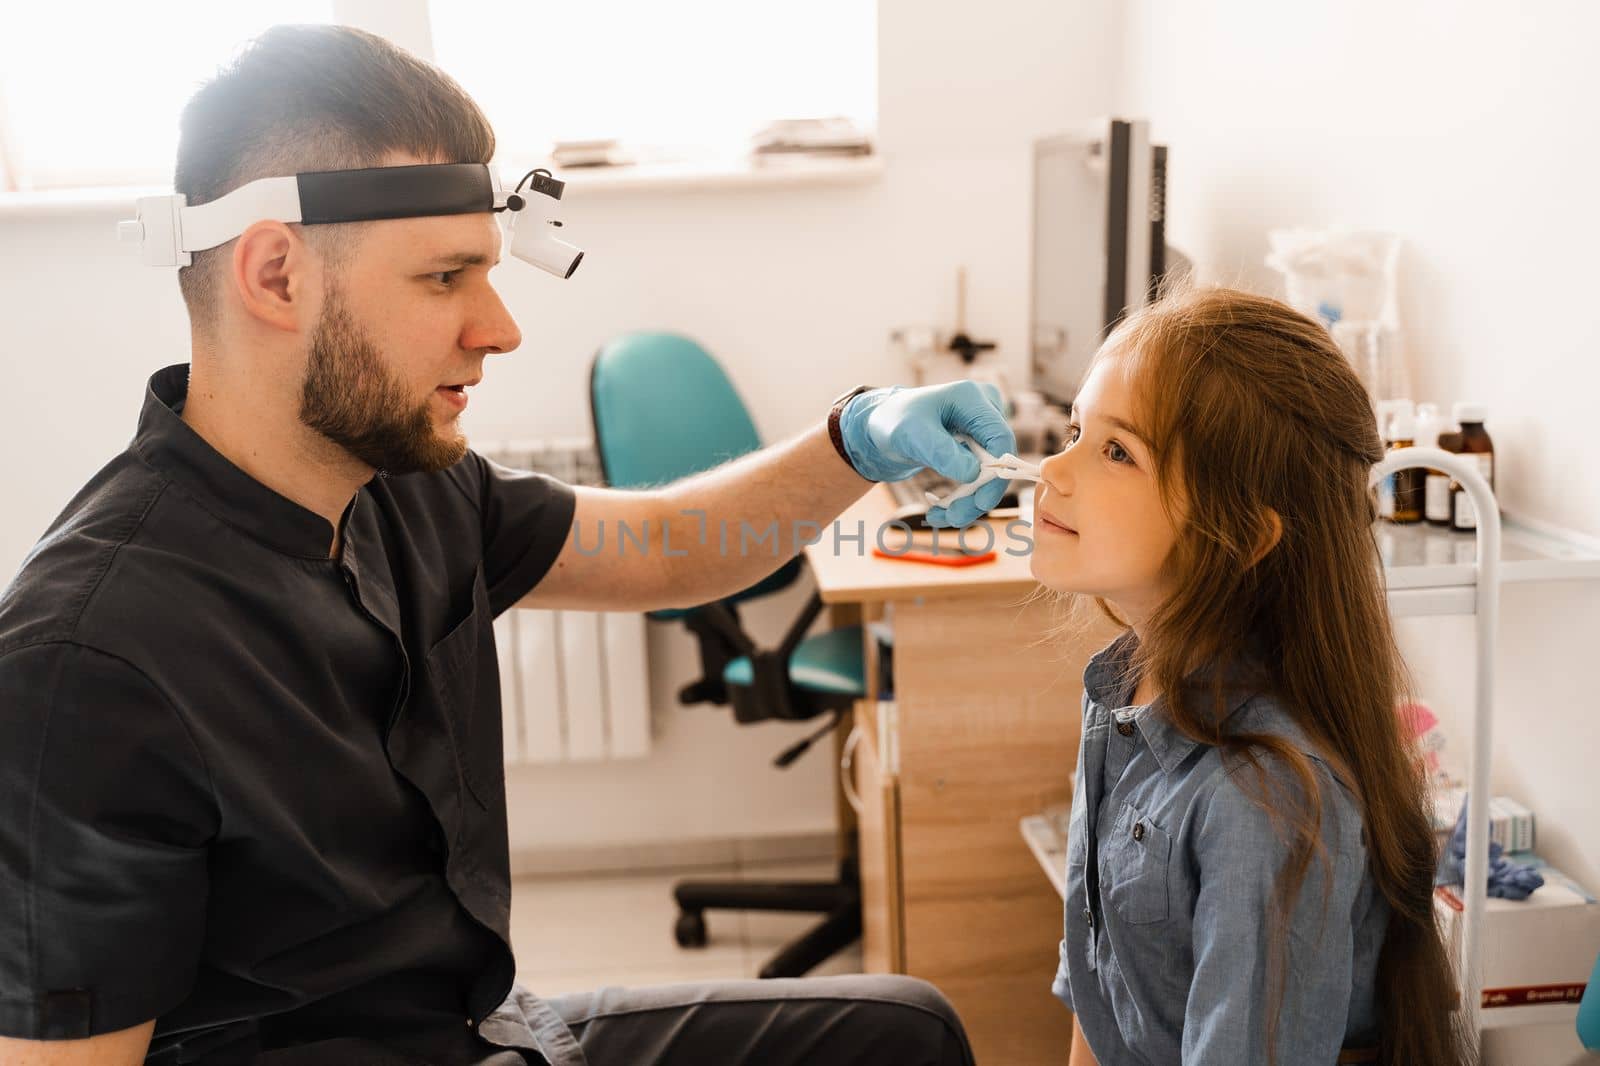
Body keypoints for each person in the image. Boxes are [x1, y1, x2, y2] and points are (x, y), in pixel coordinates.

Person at [0, 24, 1013, 1066]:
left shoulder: (413, 489)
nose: (499, 327)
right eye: (445, 278)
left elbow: (673, 550)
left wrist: (854, 441)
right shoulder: (88, 665)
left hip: (476, 1030)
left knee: (903, 1033)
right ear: (276, 276)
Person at [1032, 288, 1473, 1065]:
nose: (1052, 469)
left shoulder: (1263, 799)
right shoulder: (1124, 694)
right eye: (1075, 431)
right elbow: (1098, 1001)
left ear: (1240, 536)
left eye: (1116, 452)